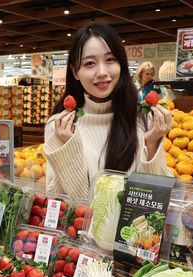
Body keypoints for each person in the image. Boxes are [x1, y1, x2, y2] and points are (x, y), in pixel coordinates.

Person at [44, 23, 172, 200]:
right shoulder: (60, 127)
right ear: (75, 71)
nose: (102, 72)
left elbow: (158, 199)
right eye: (90, 63)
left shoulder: (144, 118)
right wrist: (69, 148)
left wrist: (152, 144)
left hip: (133, 227)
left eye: (110, 60)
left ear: (121, 64)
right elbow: (62, 204)